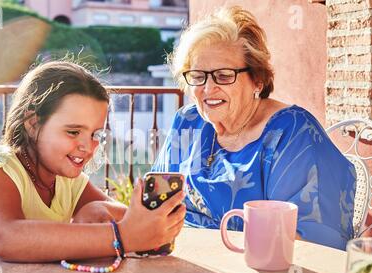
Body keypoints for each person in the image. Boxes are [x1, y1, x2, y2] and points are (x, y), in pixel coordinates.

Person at [0, 61, 186, 272]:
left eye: (95, 134)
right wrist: (125, 235)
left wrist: (149, 223)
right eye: (73, 132)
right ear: (32, 123)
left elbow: (114, 218)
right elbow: (7, 238)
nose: (88, 146)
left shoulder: (66, 179)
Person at [151, 6, 356, 250]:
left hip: (257, 271)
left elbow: (310, 242)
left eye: (224, 75)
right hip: (180, 260)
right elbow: (156, 202)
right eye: (198, 75)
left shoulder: (293, 133)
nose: (207, 88)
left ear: (257, 79)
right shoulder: (187, 122)